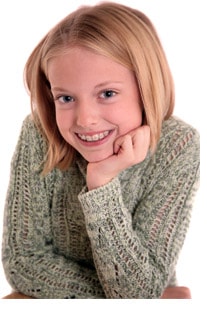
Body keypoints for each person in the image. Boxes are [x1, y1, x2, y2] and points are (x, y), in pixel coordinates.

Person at [1, 2, 199, 299]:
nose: (85, 119)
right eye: (66, 98)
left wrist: (102, 184)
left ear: (146, 89)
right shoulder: (39, 133)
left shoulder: (177, 145)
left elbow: (139, 293)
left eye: (107, 94)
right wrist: (110, 298)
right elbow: (22, 260)